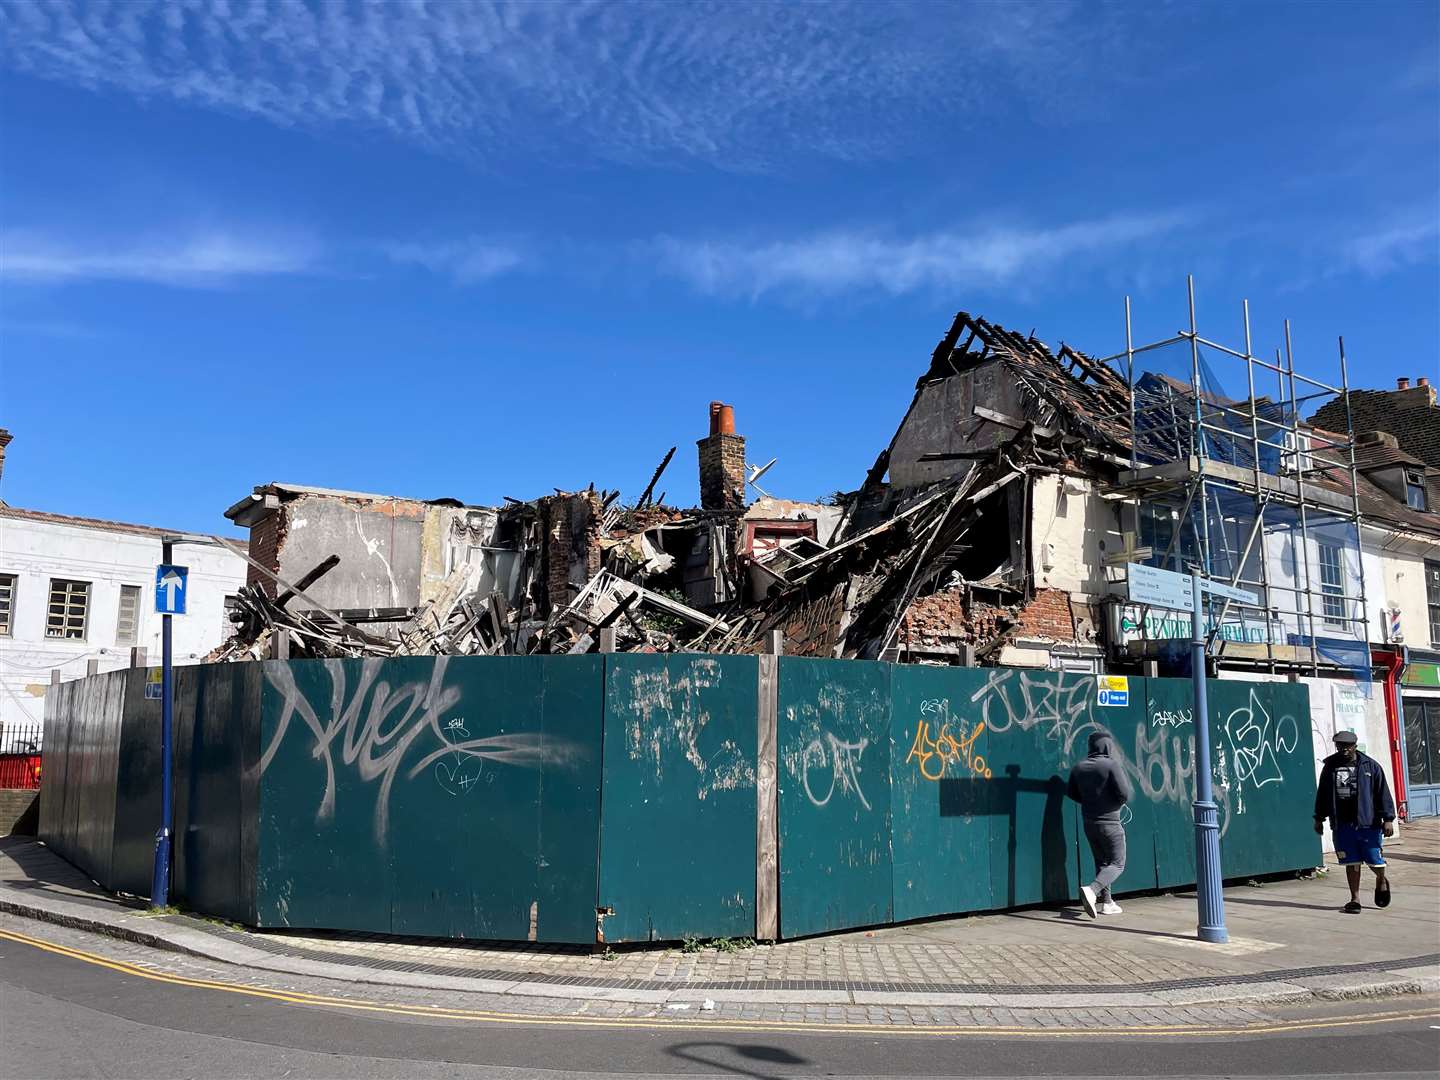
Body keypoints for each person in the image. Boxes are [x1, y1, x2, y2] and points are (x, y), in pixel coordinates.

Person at [1314, 729, 1396, 914]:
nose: (1343, 750)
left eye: (1347, 746)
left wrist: (1388, 819)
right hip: (1343, 823)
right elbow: (1323, 794)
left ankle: (1381, 879)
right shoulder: (1331, 766)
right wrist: (1319, 817)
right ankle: (1355, 899)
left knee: (1374, 860)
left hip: (1368, 822)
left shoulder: (1370, 766)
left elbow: (1382, 792)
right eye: (1340, 746)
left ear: (1354, 746)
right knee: (1351, 862)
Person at [1067, 730, 1133, 918]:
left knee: (1102, 862)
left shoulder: (1078, 767)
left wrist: (1091, 802)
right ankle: (1092, 890)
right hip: (1110, 822)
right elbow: (1124, 794)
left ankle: (1108, 903)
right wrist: (1113, 803)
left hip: (1089, 822)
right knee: (1118, 864)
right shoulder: (1111, 765)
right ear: (1107, 746)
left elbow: (1071, 793)